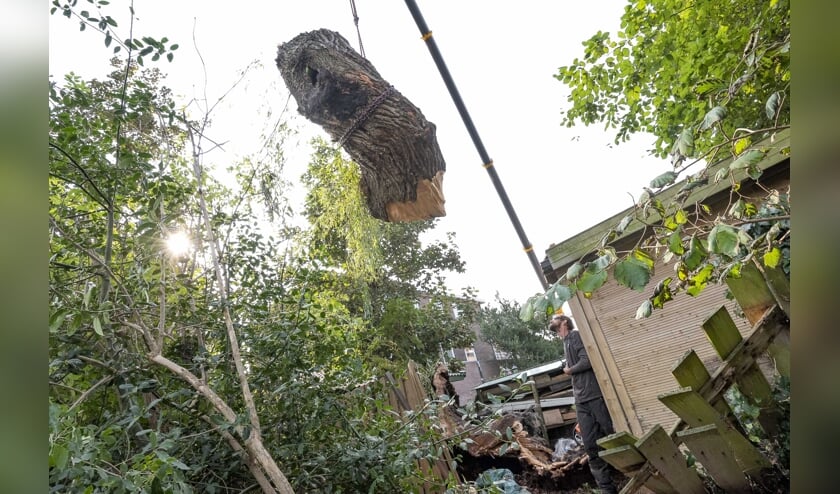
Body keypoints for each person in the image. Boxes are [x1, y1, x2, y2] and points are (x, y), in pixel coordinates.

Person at [550, 314, 617, 494]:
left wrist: (569, 370)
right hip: (580, 399)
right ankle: (607, 488)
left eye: (555, 320)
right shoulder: (565, 341)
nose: (551, 322)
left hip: (594, 394)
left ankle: (629, 472)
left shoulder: (576, 336)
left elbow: (587, 360)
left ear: (564, 322)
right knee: (589, 443)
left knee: (610, 433)